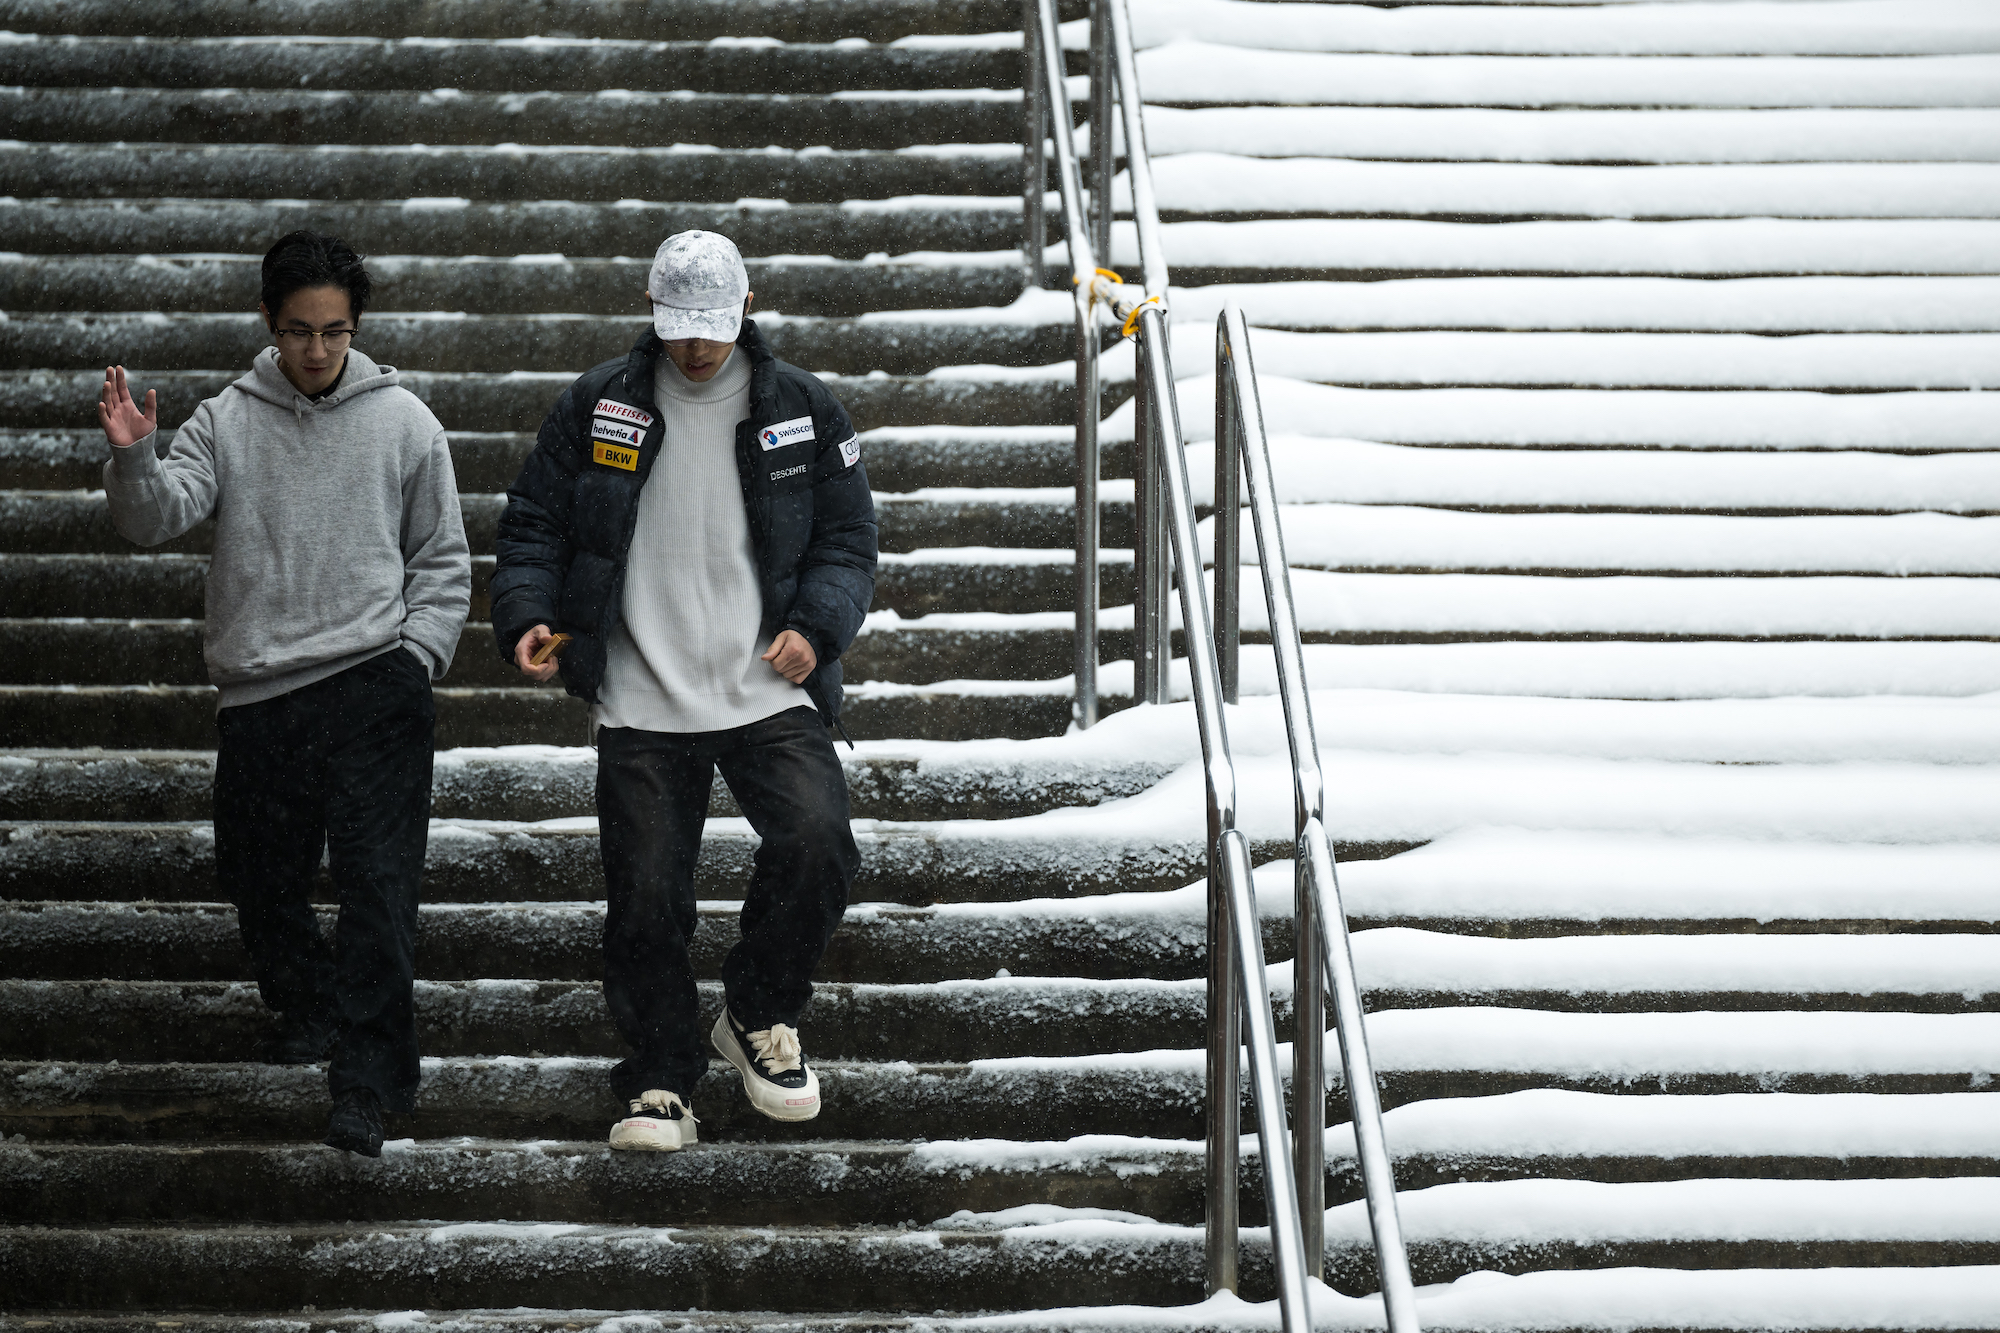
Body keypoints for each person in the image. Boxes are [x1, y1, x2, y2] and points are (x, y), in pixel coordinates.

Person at [491, 229, 876, 1152]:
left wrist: (816, 629)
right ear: (652, 316)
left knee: (820, 843)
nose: (696, 346)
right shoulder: (600, 403)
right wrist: (529, 616)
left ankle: (756, 1014)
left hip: (765, 684)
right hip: (641, 690)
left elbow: (847, 536)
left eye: (711, 324)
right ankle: (660, 1076)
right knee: (648, 894)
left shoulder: (801, 406)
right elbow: (536, 521)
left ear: (747, 309)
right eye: (678, 326)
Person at [96, 230, 471, 1158]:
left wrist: (415, 656)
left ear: (357, 329)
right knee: (257, 878)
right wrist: (136, 458)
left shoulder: (405, 423)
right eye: (300, 331)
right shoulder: (228, 418)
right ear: (269, 322)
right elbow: (158, 518)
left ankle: (367, 1085)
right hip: (263, 696)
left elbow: (444, 559)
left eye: (335, 333)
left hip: (375, 687)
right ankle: (306, 1006)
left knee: (379, 891)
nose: (316, 350)